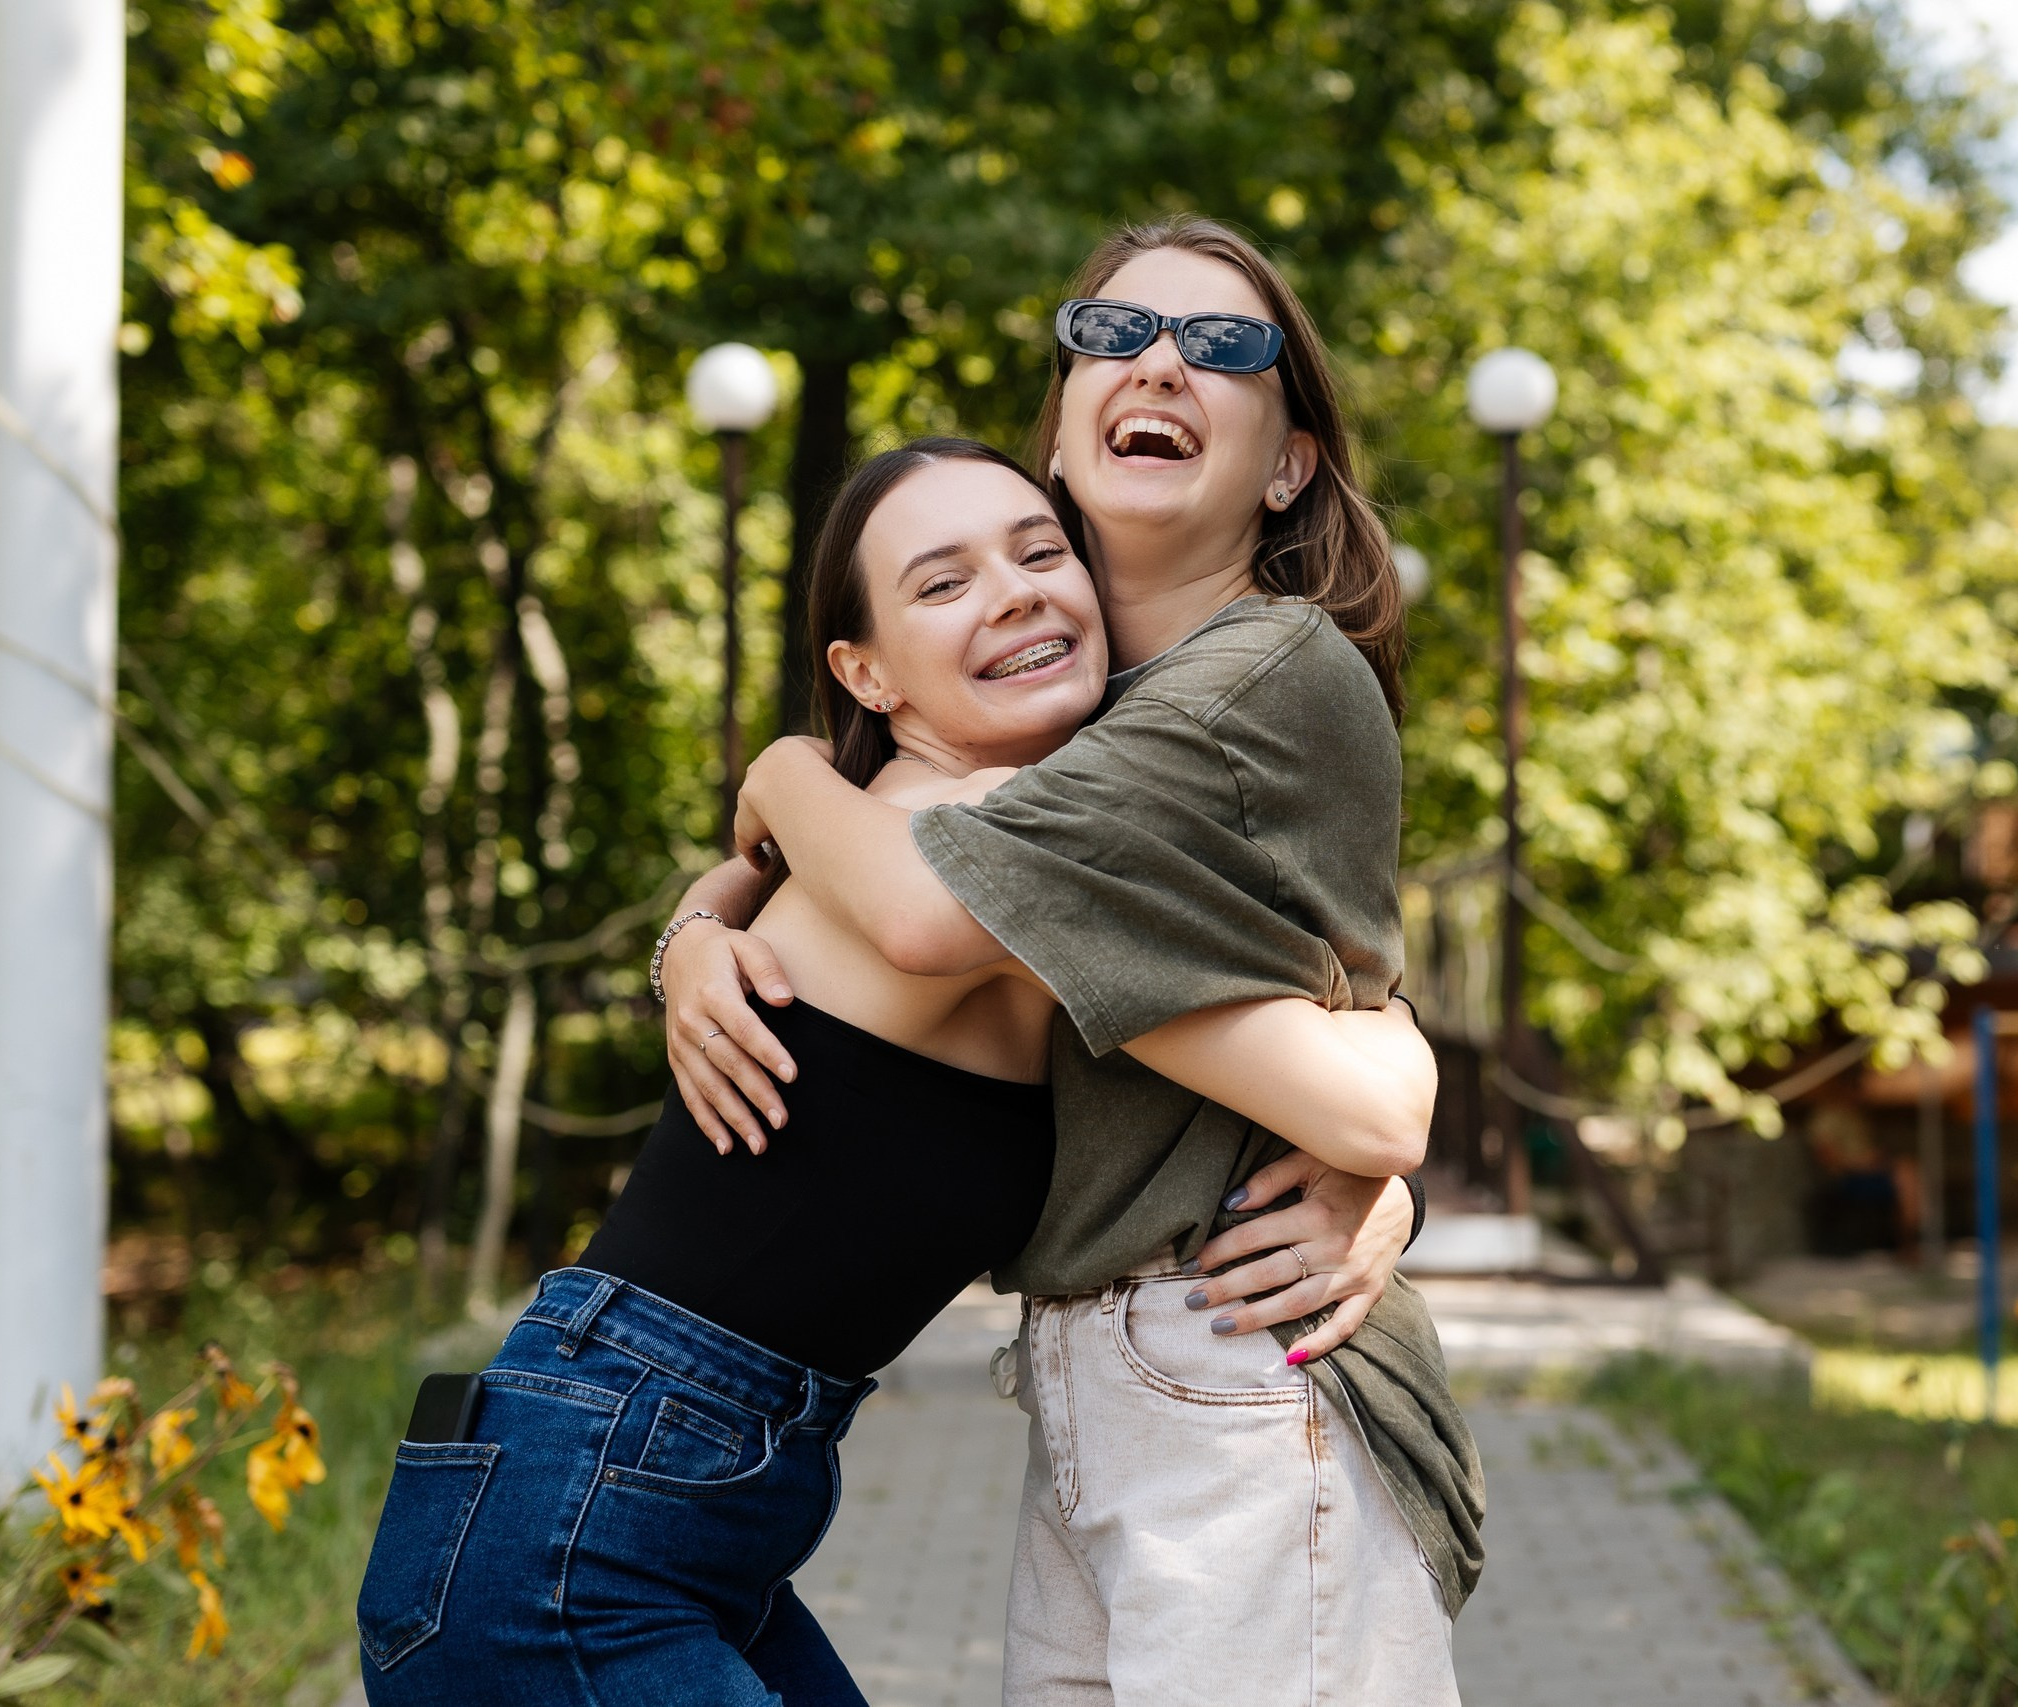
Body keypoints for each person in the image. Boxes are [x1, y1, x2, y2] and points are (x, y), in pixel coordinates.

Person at [352, 437, 1438, 1707]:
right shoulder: (964, 864)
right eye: (943, 583)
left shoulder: (948, 844)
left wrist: (758, 817)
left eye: (1041, 553)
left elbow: (1287, 1029)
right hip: (575, 1531)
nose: (1019, 590)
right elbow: (1369, 1099)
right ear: (864, 672)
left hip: (646, 1502)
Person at [668, 216, 1481, 1706]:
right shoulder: (1077, 706)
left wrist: (783, 769)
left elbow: (925, 910)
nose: (1159, 360)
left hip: (1234, 1368)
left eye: (1223, 345)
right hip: (1108, 1377)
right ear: (1058, 423)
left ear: (1289, 461)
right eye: (1111, 334)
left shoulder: (1257, 673)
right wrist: (696, 931)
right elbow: (1322, 993)